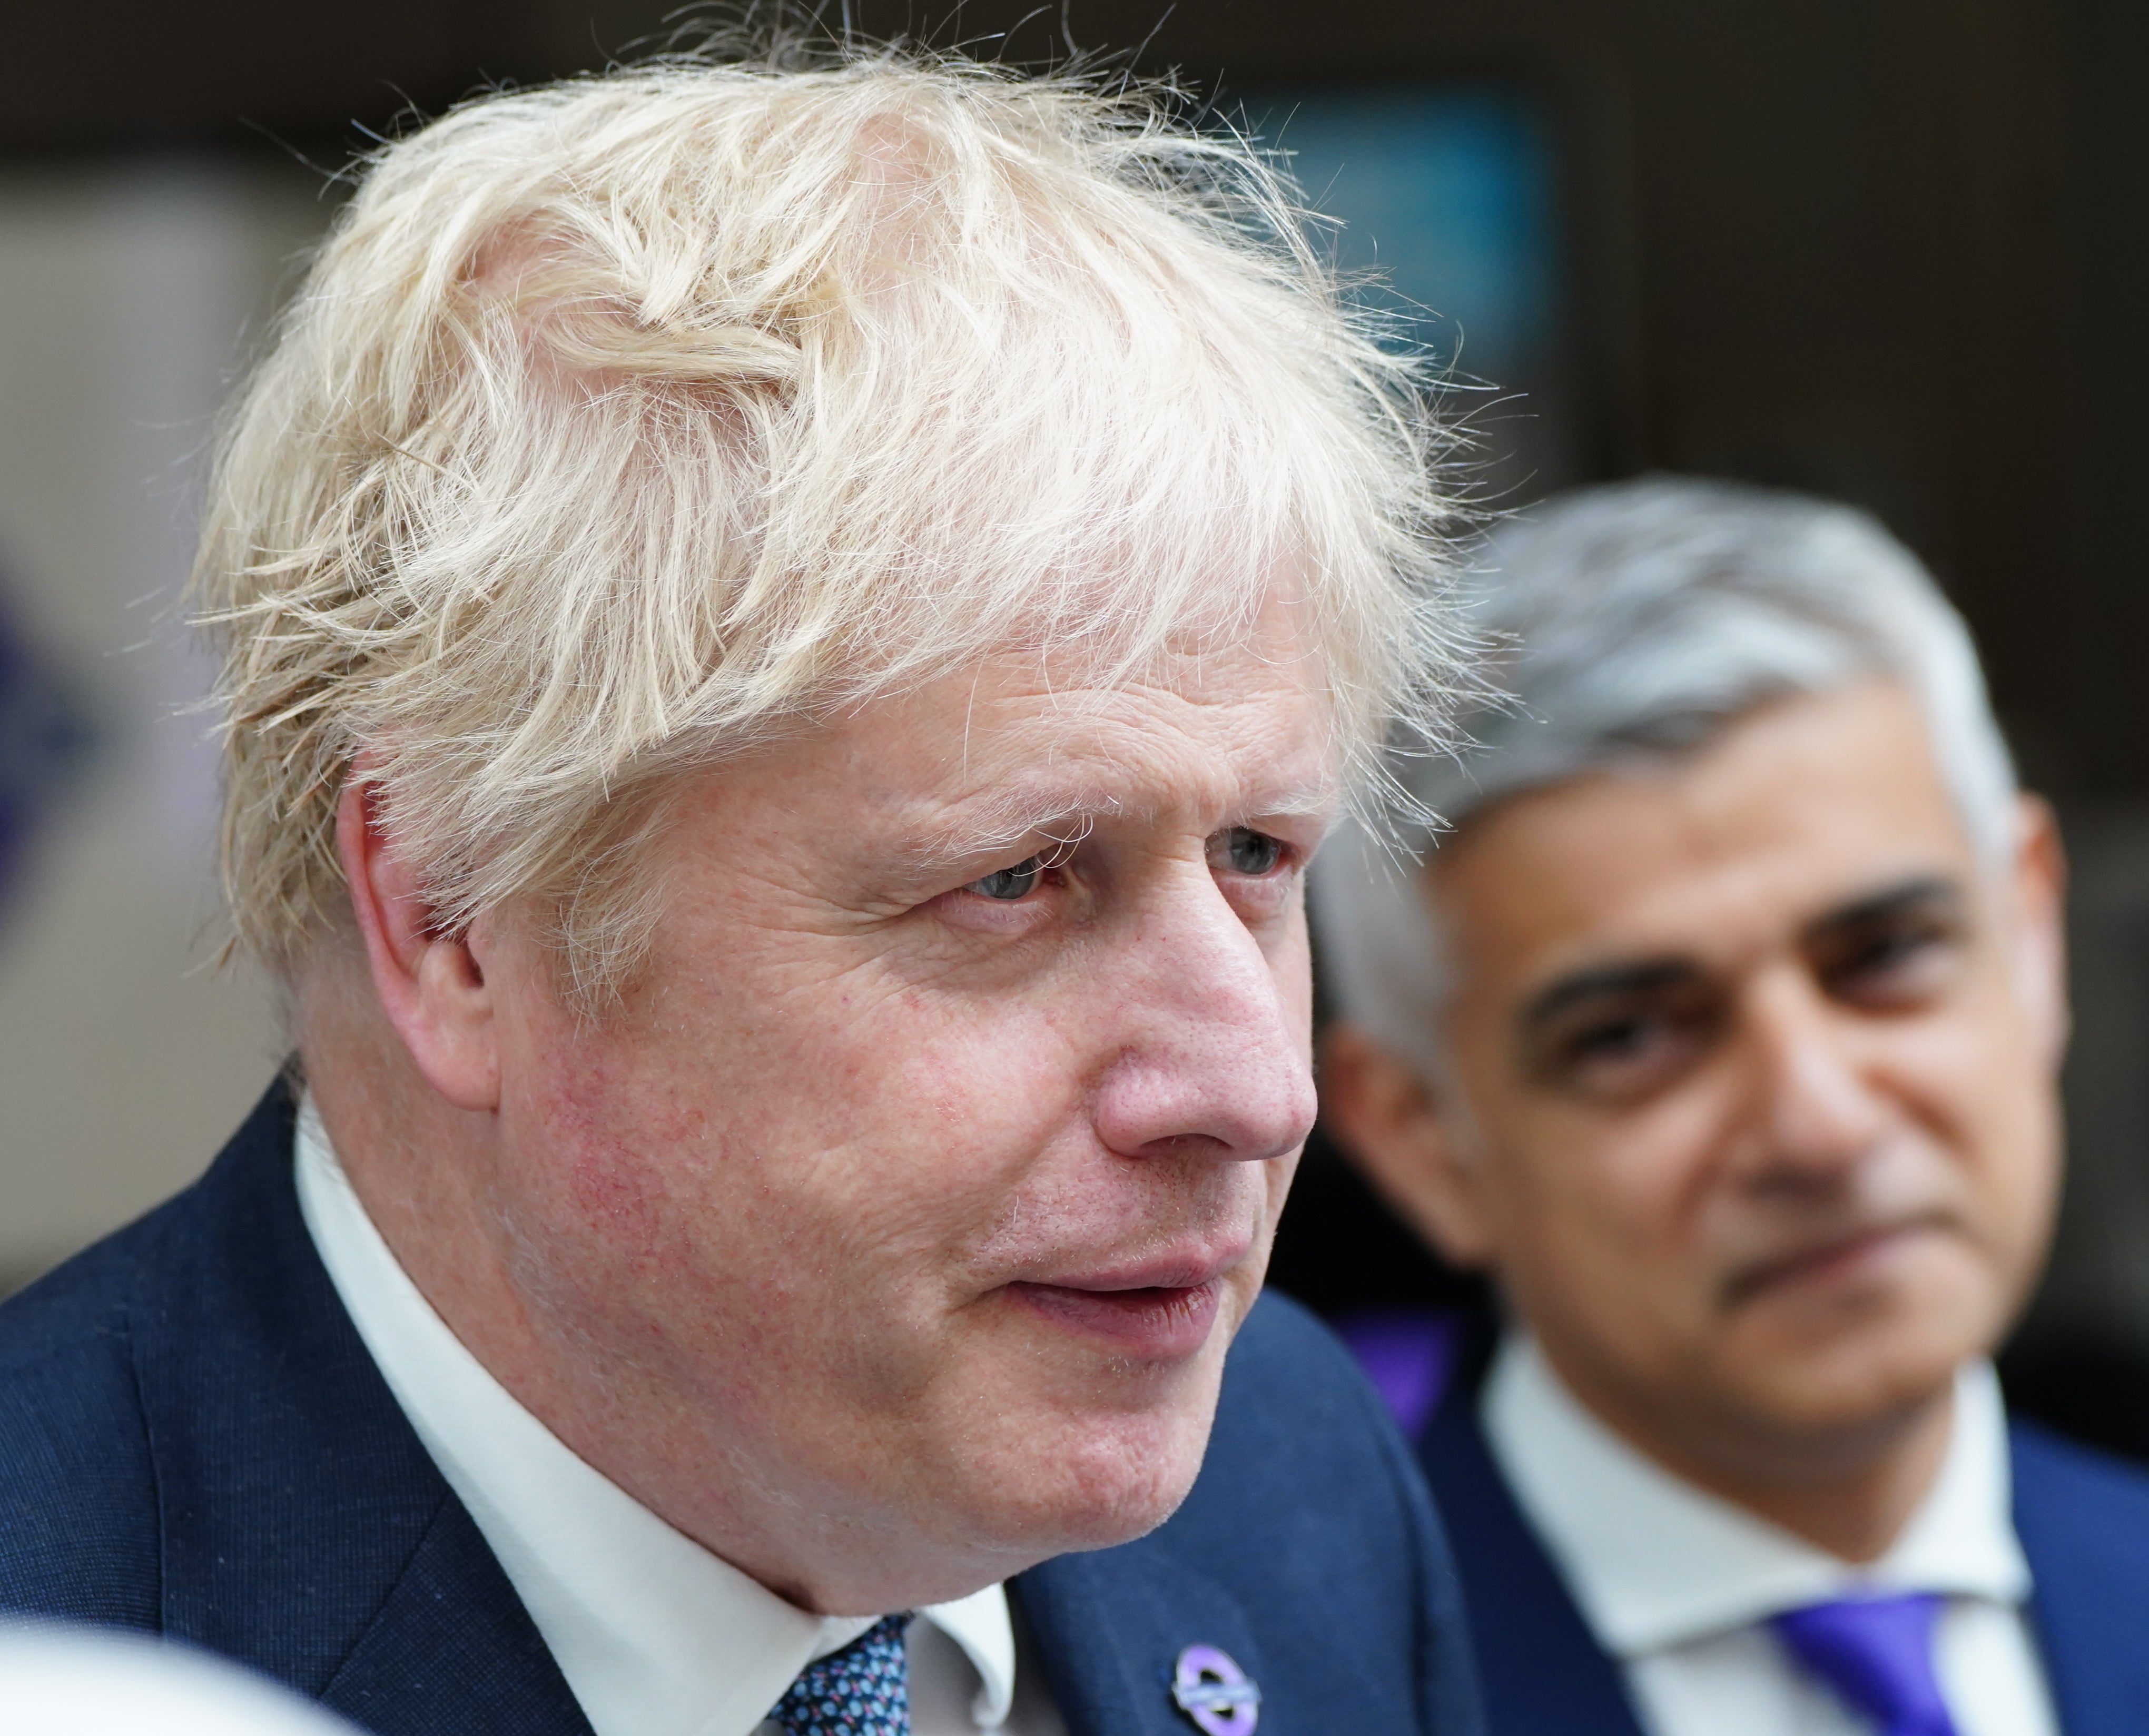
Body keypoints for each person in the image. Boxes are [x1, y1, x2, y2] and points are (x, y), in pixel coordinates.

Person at [0, 43, 1484, 1736]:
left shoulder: (1293, 1482)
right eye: (1014, 882)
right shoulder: (66, 1634)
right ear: (453, 916)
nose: (1259, 1089)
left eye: (1256, 857)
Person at [1313, 477, 2149, 1736]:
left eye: (1884, 956)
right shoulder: (1304, 1697)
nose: (1819, 1124)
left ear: (2032, 936)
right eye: (1634, 1035)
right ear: (1420, 1136)